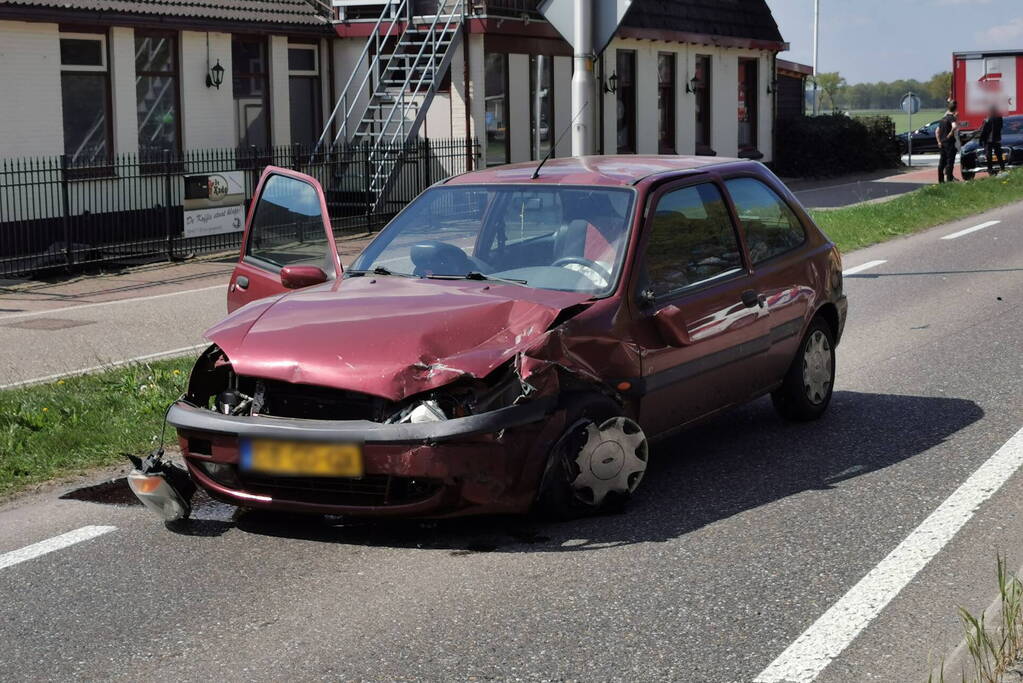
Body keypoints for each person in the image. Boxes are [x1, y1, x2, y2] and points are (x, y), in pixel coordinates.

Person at [979, 105, 1006, 175]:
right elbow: (1001, 127)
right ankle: (1002, 168)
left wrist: (981, 139)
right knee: (999, 154)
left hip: (988, 140)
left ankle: (990, 169)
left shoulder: (987, 119)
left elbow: (984, 130)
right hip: (997, 139)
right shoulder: (1000, 118)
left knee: (989, 155)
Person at [936, 102, 959, 183]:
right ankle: (949, 180)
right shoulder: (951, 118)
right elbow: (954, 126)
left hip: (942, 143)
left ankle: (941, 180)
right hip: (949, 143)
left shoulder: (942, 119)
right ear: (955, 109)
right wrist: (950, 133)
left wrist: (939, 141)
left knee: (941, 162)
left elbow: (937, 131)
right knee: (950, 162)